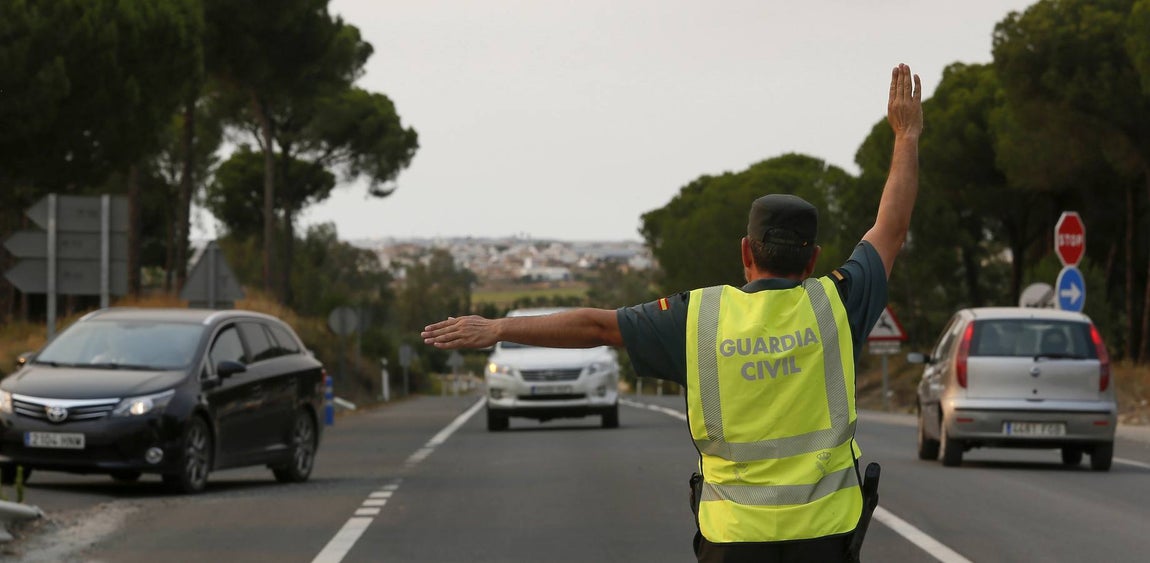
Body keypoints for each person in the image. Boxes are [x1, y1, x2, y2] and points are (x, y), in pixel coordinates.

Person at [422, 63, 923, 563]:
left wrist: (498, 327)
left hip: (732, 541)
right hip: (825, 538)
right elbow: (891, 226)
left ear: (745, 252)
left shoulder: (698, 317)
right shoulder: (837, 301)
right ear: (812, 259)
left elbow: (595, 325)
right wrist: (905, 136)